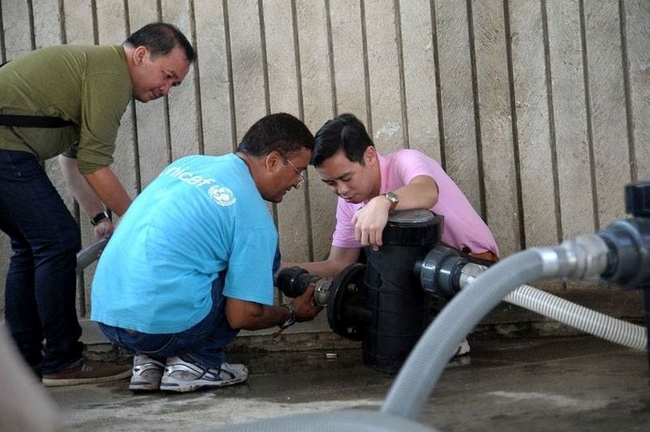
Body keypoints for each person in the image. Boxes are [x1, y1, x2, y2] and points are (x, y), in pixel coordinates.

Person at [0, 22, 195, 386]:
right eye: (167, 76)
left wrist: (99, 216)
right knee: (56, 242)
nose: (166, 90)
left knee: (31, 247)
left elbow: (72, 161)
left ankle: (22, 367)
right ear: (140, 55)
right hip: (5, 148)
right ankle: (62, 359)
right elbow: (95, 164)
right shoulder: (111, 74)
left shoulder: (97, 68)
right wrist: (140, 219)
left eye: (175, 84)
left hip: (8, 148)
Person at [91, 113, 323, 393]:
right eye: (299, 171)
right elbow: (243, 315)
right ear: (273, 160)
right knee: (253, 262)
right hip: (164, 329)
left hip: (109, 317)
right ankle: (196, 363)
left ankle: (150, 363)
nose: (298, 183)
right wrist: (290, 311)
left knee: (190, 256)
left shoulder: (187, 165)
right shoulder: (254, 219)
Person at [282, 113, 499, 356]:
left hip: (473, 272)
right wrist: (282, 268)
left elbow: (427, 192)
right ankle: (419, 333)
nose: (341, 190)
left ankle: (442, 332)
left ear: (370, 156)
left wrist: (384, 202)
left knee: (384, 244)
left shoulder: (406, 161)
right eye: (330, 184)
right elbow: (339, 263)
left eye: (346, 178)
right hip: (423, 272)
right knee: (354, 269)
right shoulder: (349, 200)